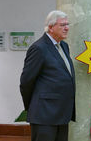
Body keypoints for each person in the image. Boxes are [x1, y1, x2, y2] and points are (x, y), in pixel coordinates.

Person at [20, 10, 75, 141]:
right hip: (44, 114)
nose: (67, 28)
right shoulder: (39, 48)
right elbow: (26, 82)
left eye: (67, 24)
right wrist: (35, 105)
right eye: (62, 25)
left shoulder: (64, 46)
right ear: (50, 27)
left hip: (62, 114)